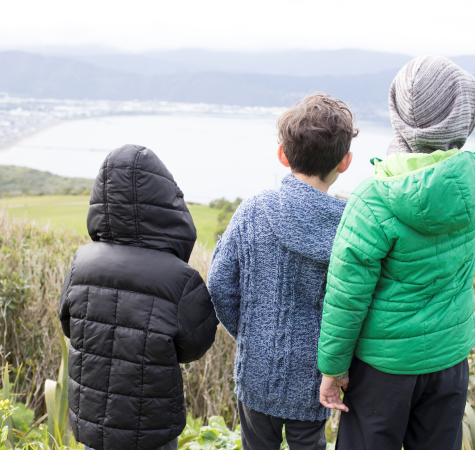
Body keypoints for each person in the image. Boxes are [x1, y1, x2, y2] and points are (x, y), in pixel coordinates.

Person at [316, 56, 475, 450]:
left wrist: (332, 369)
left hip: (383, 368)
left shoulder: (372, 199)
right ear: (464, 116)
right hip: (448, 361)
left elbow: (346, 296)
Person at [207, 94, 358, 450]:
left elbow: (218, 284)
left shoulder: (254, 209)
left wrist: (249, 333)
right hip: (320, 374)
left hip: (257, 368)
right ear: (345, 161)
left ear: (283, 155)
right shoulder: (351, 225)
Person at [59, 144, 219, 450]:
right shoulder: (179, 278)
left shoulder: (81, 262)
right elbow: (194, 347)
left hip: (92, 420)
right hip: (152, 425)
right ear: (165, 201)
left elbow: (69, 324)